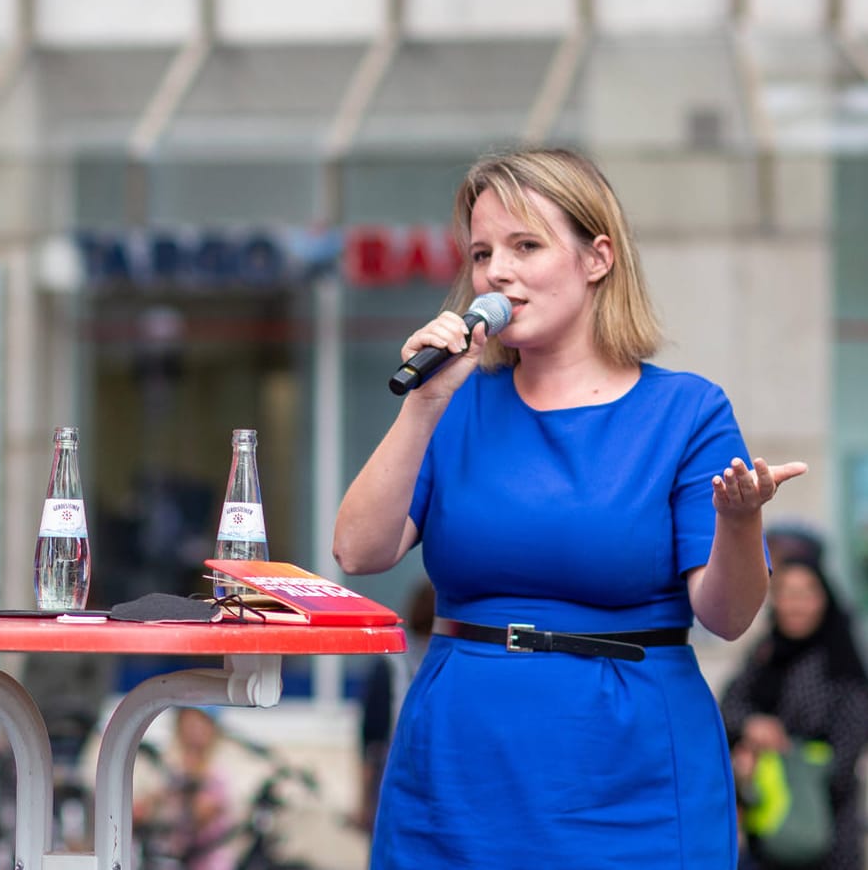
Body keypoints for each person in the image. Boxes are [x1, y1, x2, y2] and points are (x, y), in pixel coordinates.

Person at [331, 147, 807, 869]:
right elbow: (357, 550)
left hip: (631, 770)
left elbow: (727, 614)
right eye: (483, 252)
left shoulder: (685, 411)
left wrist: (741, 520)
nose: (497, 271)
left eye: (526, 245)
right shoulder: (455, 403)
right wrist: (424, 403)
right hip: (460, 762)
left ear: (597, 257)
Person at [721, 529, 868, 870]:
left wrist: (780, 753)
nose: (796, 605)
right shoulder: (765, 655)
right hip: (765, 831)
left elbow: (845, 757)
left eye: (806, 594)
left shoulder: (841, 663)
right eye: (786, 594)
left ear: (824, 599)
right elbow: (729, 705)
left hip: (823, 832)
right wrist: (752, 726)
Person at [352, 577, 433, 834]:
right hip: (422, 779)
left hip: (393, 778)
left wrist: (363, 800)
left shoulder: (391, 660)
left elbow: (370, 740)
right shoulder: (451, 660)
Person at [132, 707, 242, 870]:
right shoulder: (166, 767)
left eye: (200, 723)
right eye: (188, 721)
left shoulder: (219, 773)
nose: (194, 730)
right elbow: (138, 813)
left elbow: (200, 816)